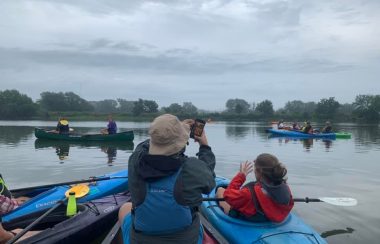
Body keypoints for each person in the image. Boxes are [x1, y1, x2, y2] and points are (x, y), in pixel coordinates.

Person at [118, 114, 216, 244]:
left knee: (125, 208)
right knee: (196, 214)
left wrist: (165, 133)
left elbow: (142, 147)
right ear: (180, 143)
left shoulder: (135, 162)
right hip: (186, 240)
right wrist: (204, 146)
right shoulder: (191, 168)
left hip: (141, 240)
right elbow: (209, 180)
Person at [216, 154, 294, 223]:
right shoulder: (285, 188)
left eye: (255, 169)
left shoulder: (249, 193)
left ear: (258, 172)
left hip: (250, 220)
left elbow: (227, 195)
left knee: (220, 190)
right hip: (269, 219)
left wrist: (241, 175)